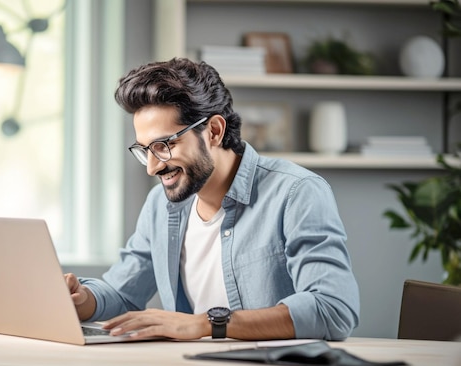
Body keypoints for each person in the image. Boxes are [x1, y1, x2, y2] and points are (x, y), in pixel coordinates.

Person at [65, 57, 360, 341]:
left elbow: (333, 309)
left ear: (215, 131)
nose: (153, 167)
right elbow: (122, 293)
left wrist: (205, 324)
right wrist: (81, 300)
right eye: (145, 150)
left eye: (164, 145)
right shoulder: (160, 204)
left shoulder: (296, 192)